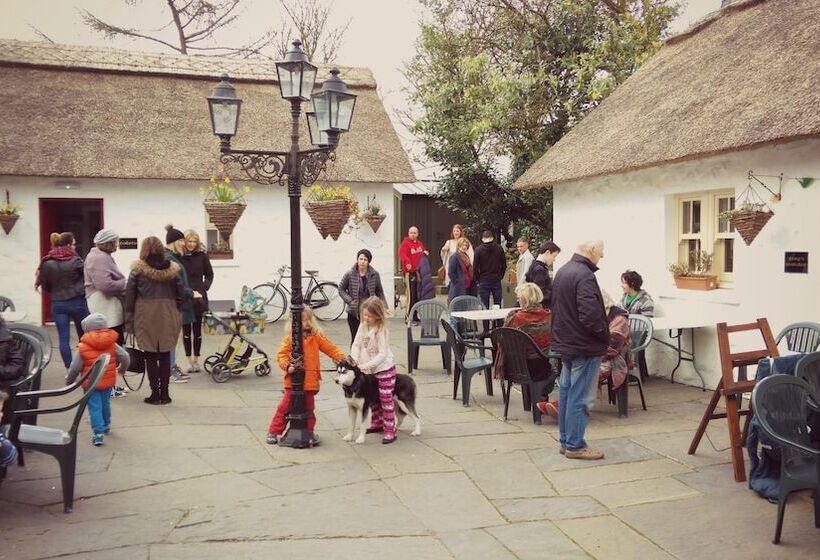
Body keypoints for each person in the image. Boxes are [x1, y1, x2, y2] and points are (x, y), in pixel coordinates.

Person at [551, 240, 609, 460]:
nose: (601, 257)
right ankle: (575, 445)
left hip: (568, 343)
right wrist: (604, 335)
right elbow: (590, 315)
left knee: (567, 394)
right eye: (601, 252)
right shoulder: (584, 275)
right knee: (580, 397)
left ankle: (566, 442)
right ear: (591, 250)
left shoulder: (563, 270)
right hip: (583, 346)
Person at [266, 307, 346, 446]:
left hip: (310, 381)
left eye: (309, 319)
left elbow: (331, 348)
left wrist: (342, 358)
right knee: (285, 407)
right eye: (303, 320)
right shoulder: (290, 338)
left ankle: (308, 431)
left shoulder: (316, 336)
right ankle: (274, 431)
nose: (307, 322)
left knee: (309, 408)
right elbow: (282, 355)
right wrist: (287, 366)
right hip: (293, 382)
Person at [125, 236, 184, 405]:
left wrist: (129, 322)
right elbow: (180, 294)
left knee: (150, 355)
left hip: (145, 315)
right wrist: (176, 311)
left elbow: (130, 297)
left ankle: (155, 394)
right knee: (165, 354)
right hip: (168, 314)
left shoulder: (137, 271)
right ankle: (165, 394)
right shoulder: (173, 270)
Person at [66, 313, 130, 446]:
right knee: (105, 403)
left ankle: (98, 433)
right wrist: (122, 369)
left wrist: (69, 382)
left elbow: (75, 368)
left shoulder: (83, 346)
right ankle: (106, 425)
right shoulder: (112, 343)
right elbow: (125, 356)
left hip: (90, 383)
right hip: (108, 381)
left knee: (94, 407)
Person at [84, 228, 129, 398]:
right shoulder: (99, 258)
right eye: (115, 242)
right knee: (110, 345)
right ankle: (109, 386)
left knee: (111, 345)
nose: (117, 245)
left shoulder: (100, 256)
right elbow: (105, 285)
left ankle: (111, 384)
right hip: (105, 305)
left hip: (106, 304)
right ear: (107, 243)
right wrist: (125, 283)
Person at [36, 232, 90, 368]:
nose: (75, 247)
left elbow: (45, 285)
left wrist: (56, 291)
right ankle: (86, 366)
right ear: (68, 245)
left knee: (63, 338)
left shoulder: (46, 263)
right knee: (84, 337)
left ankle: (70, 369)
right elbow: (86, 279)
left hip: (58, 303)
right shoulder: (76, 261)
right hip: (78, 302)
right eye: (73, 244)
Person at [350, 296, 399, 444]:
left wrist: (365, 366)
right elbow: (356, 344)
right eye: (364, 315)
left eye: (369, 316)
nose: (366, 318)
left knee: (385, 399)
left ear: (378, 315)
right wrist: (354, 358)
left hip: (384, 369)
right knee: (372, 398)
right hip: (369, 370)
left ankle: (390, 429)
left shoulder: (381, 330)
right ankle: (377, 423)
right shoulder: (363, 326)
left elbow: (382, 354)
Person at [495, 283, 554, 397]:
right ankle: (542, 396)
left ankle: (537, 398)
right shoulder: (548, 316)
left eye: (519, 298)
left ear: (525, 299)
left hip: (515, 367)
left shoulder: (515, 318)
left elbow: (503, 341)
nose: (517, 300)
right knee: (555, 364)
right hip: (540, 367)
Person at [180, 229, 214, 373]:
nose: (192, 244)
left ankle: (196, 360)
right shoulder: (180, 257)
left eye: (194, 241)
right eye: (189, 241)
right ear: (184, 242)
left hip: (199, 297)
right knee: (186, 331)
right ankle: (189, 361)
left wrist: (204, 287)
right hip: (185, 297)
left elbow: (209, 274)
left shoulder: (202, 256)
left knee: (197, 331)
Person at [164, 225, 195, 383]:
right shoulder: (169, 259)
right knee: (170, 339)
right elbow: (175, 285)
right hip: (172, 305)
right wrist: (190, 293)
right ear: (174, 242)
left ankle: (172, 366)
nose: (184, 243)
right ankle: (169, 370)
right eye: (181, 240)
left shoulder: (173, 257)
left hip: (176, 304)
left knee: (172, 339)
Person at [338, 249, 387, 343]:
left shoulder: (374, 274)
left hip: (369, 312)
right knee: (355, 339)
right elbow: (341, 289)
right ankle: (354, 353)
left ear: (368, 262)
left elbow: (379, 292)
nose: (362, 262)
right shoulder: (349, 274)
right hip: (354, 312)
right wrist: (350, 301)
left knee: (369, 339)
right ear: (357, 260)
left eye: (365, 260)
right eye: (361, 259)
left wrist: (384, 307)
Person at [619, 269, 654, 380]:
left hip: (638, 334)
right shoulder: (624, 297)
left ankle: (633, 374)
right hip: (626, 332)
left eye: (624, 283)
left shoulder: (645, 300)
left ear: (632, 284)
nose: (621, 285)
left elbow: (646, 320)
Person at [398, 226, 428, 323]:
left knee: (417, 295)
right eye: (411, 232)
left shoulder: (419, 244)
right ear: (408, 233)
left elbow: (422, 252)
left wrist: (425, 253)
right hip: (409, 273)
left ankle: (415, 316)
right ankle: (408, 317)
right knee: (410, 295)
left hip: (418, 273)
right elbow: (402, 254)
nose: (413, 234)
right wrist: (407, 262)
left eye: (415, 233)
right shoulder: (405, 243)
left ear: (417, 234)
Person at [473, 229, 507, 313]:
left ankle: (486, 321)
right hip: (496, 278)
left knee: (484, 305)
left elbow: (475, 267)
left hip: (484, 279)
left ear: (482, 239)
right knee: (497, 305)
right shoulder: (499, 248)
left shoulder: (478, 250)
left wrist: (478, 279)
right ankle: (498, 321)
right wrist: (500, 276)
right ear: (492, 238)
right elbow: (504, 264)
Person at [525, 241, 561, 309]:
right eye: (554, 256)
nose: (554, 260)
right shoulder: (540, 270)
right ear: (547, 252)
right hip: (543, 308)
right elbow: (541, 293)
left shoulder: (534, 265)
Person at [447, 237, 475, 302]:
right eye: (462, 245)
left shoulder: (466, 256)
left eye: (466, 245)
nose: (464, 247)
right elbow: (451, 272)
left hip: (467, 286)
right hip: (458, 288)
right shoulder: (455, 257)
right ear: (459, 246)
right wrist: (457, 282)